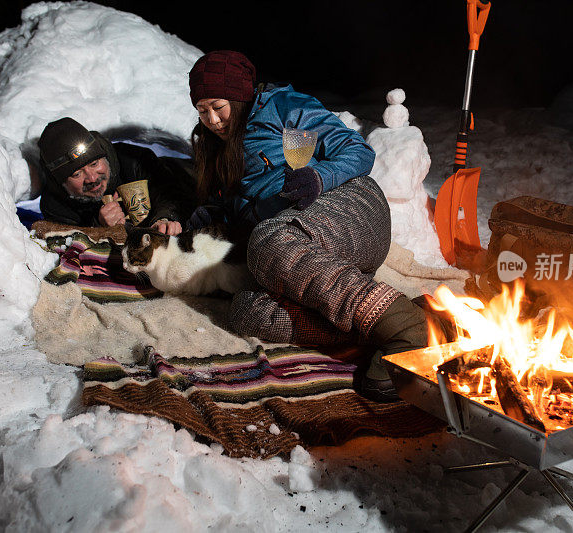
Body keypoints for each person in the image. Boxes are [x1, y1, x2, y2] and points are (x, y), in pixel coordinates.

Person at [186, 50, 452, 402]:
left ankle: (408, 330)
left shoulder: (284, 106)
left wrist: (318, 175)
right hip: (306, 248)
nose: (212, 120)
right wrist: (212, 213)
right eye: (202, 111)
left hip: (349, 206)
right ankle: (393, 319)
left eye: (218, 107)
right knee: (246, 310)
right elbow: (244, 197)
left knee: (266, 242)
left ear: (239, 94)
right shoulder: (217, 145)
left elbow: (357, 151)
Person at [36, 117, 197, 234]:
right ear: (61, 182)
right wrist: (98, 227)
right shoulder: (56, 206)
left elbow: (170, 193)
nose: (92, 178)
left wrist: (164, 219)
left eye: (94, 164)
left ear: (104, 157)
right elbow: (69, 240)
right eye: (76, 174)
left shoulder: (133, 160)